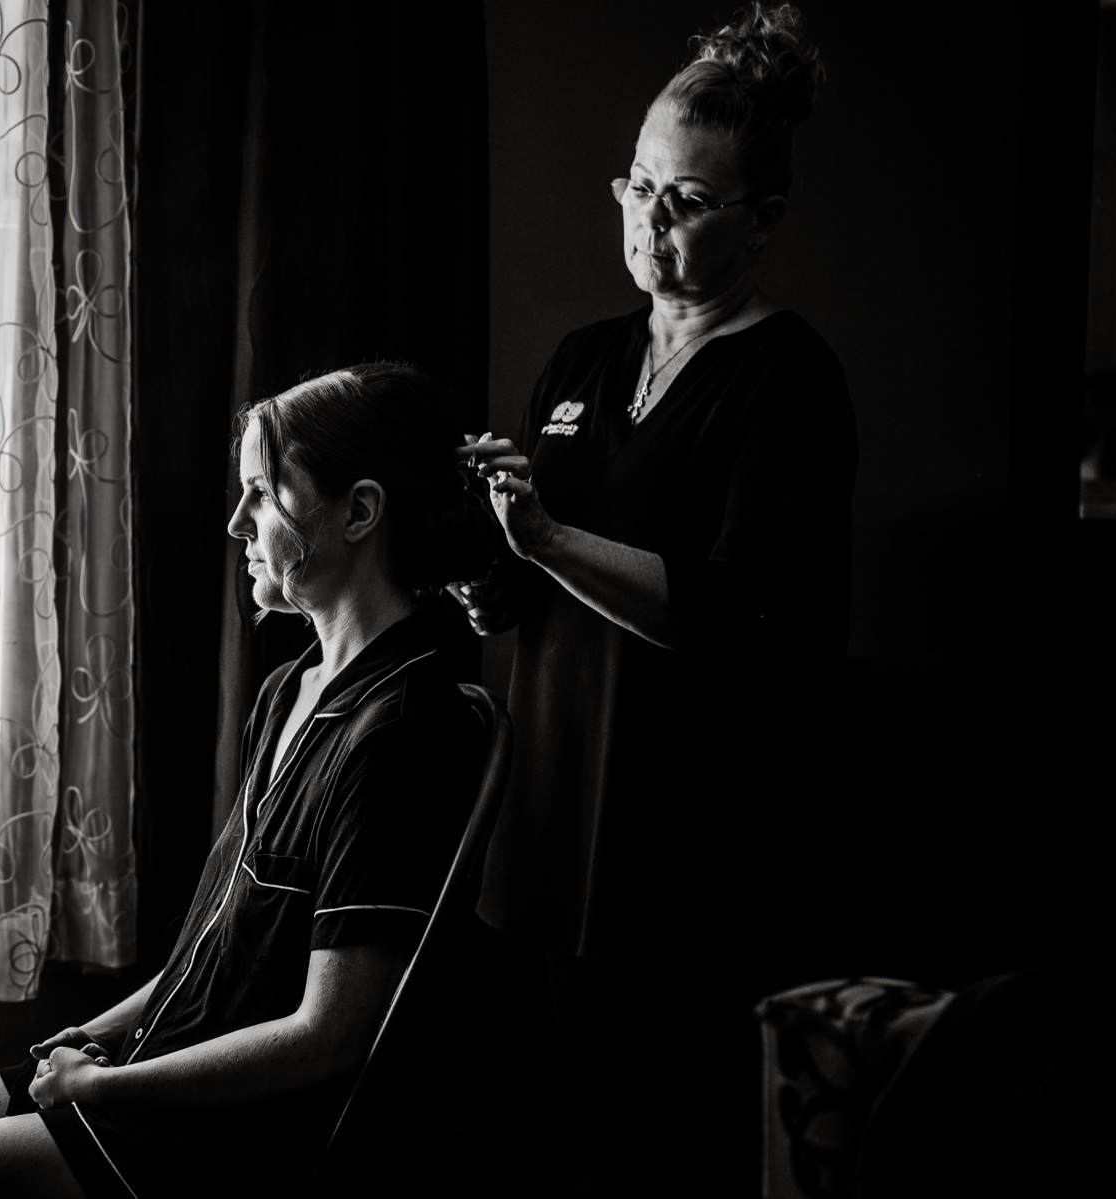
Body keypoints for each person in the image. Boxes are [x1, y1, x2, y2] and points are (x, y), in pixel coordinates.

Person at [0, 363, 497, 1198]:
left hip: (213, 1138)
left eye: (264, 492)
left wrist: (100, 1087)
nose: (237, 520)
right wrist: (78, 1045)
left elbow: (329, 1036)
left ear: (359, 511)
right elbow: (209, 959)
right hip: (140, 1068)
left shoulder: (403, 735)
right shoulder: (290, 693)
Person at [456, 3, 856, 1192]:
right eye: (637, 186)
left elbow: (729, 616)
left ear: (764, 218)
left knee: (668, 1143)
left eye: (687, 201)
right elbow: (537, 584)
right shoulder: (582, 359)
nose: (649, 220)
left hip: (684, 846)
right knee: (555, 1138)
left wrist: (546, 534)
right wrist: (493, 572)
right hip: (550, 818)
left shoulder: (786, 381)